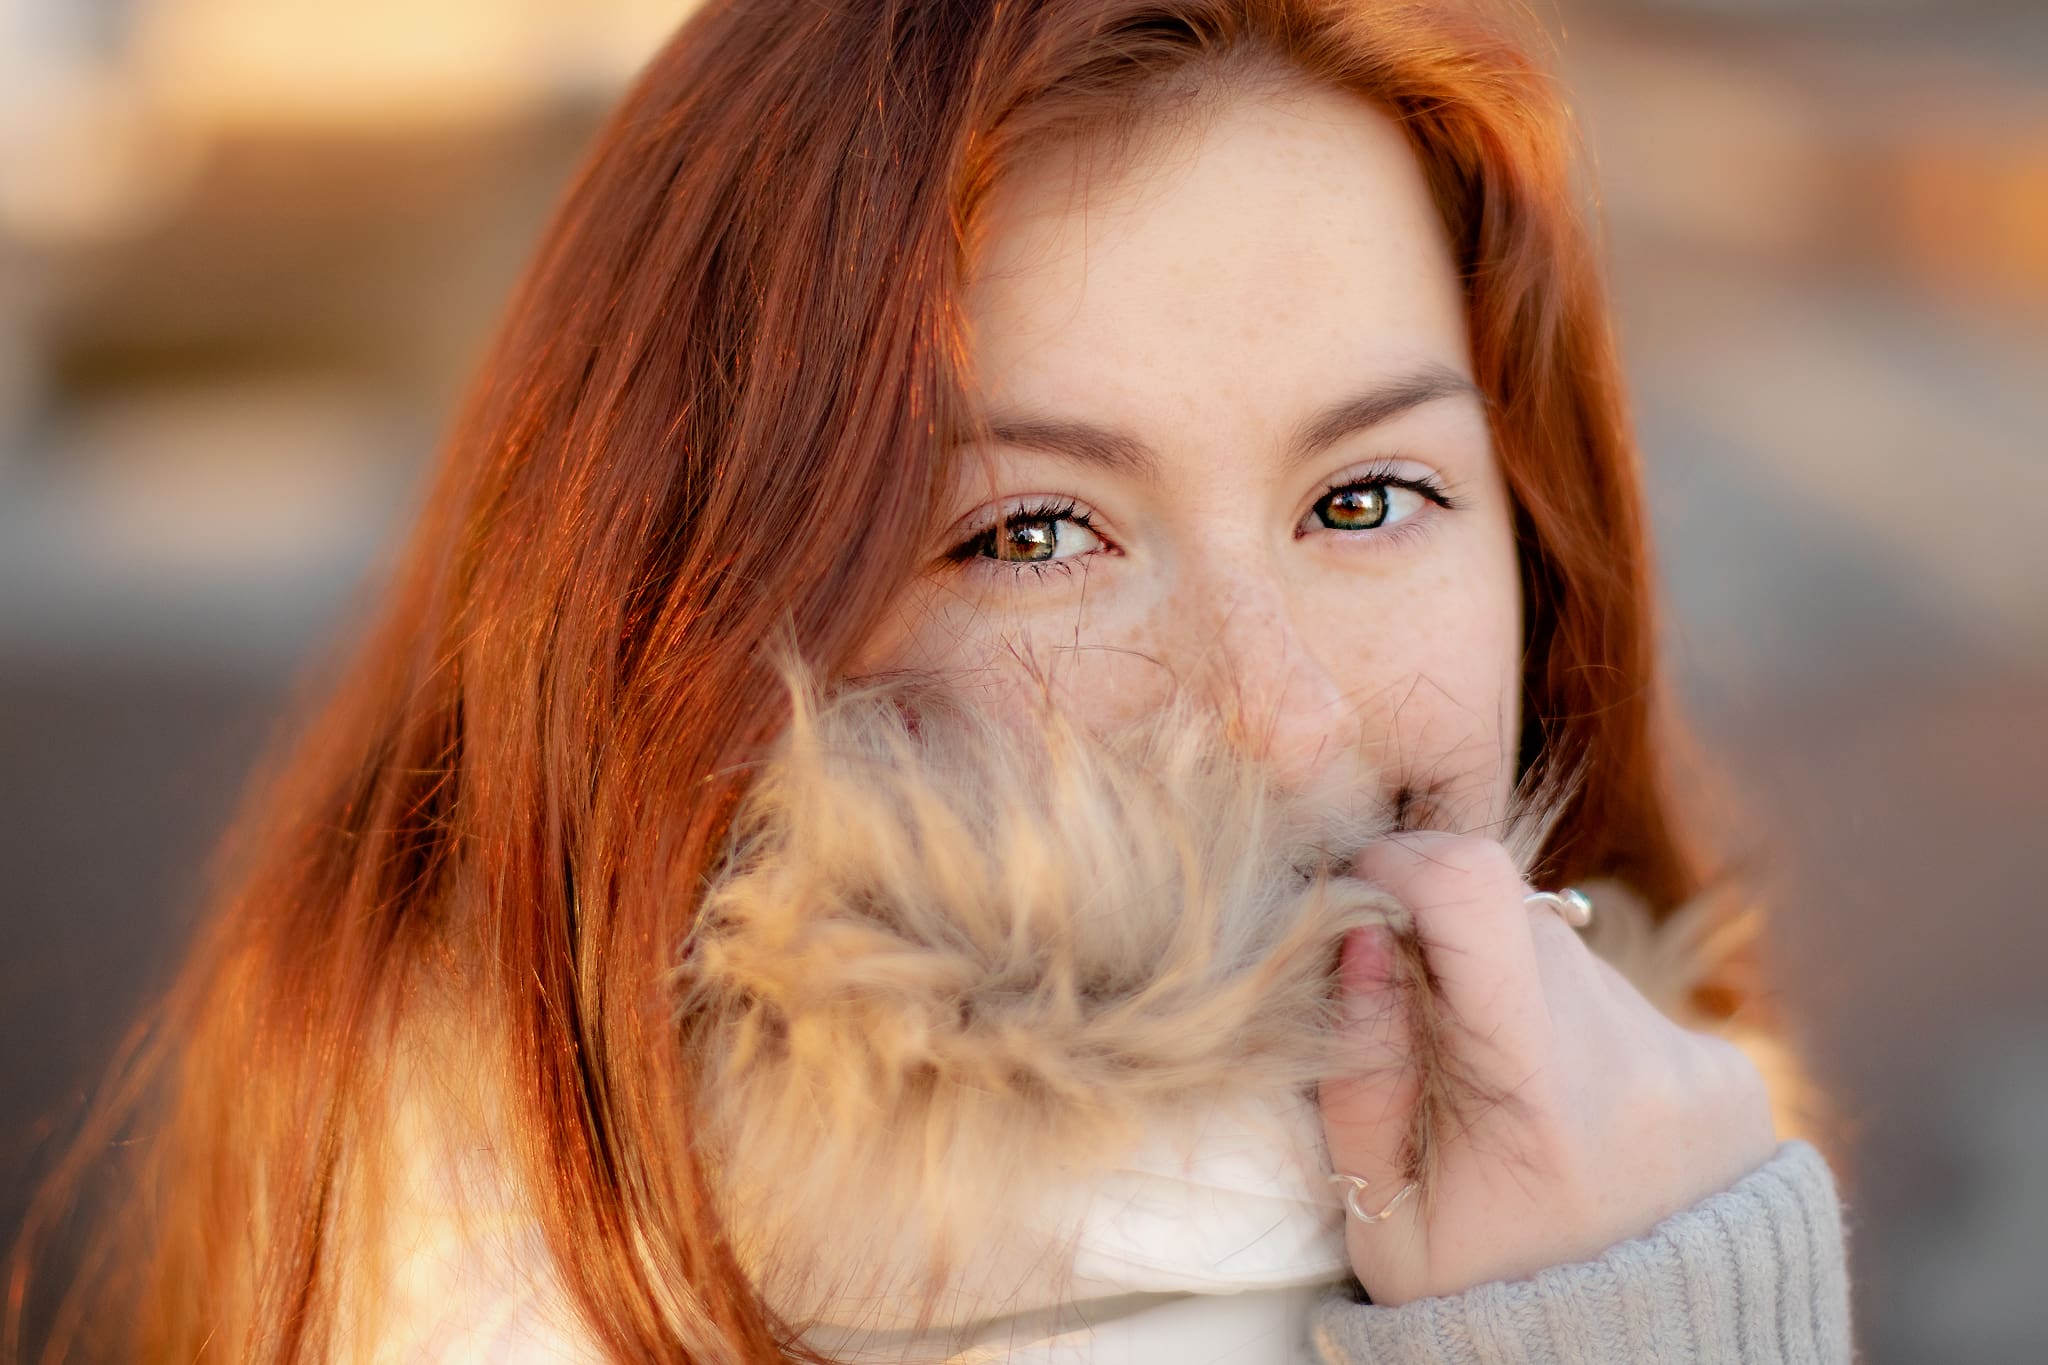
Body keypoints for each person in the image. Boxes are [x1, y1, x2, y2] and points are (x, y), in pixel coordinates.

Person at [9, 1, 1855, 1361]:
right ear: (689, 627)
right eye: (1035, 533)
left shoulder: (1642, 1107)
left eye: (1369, 498)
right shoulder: (569, 1286)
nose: (1287, 718)